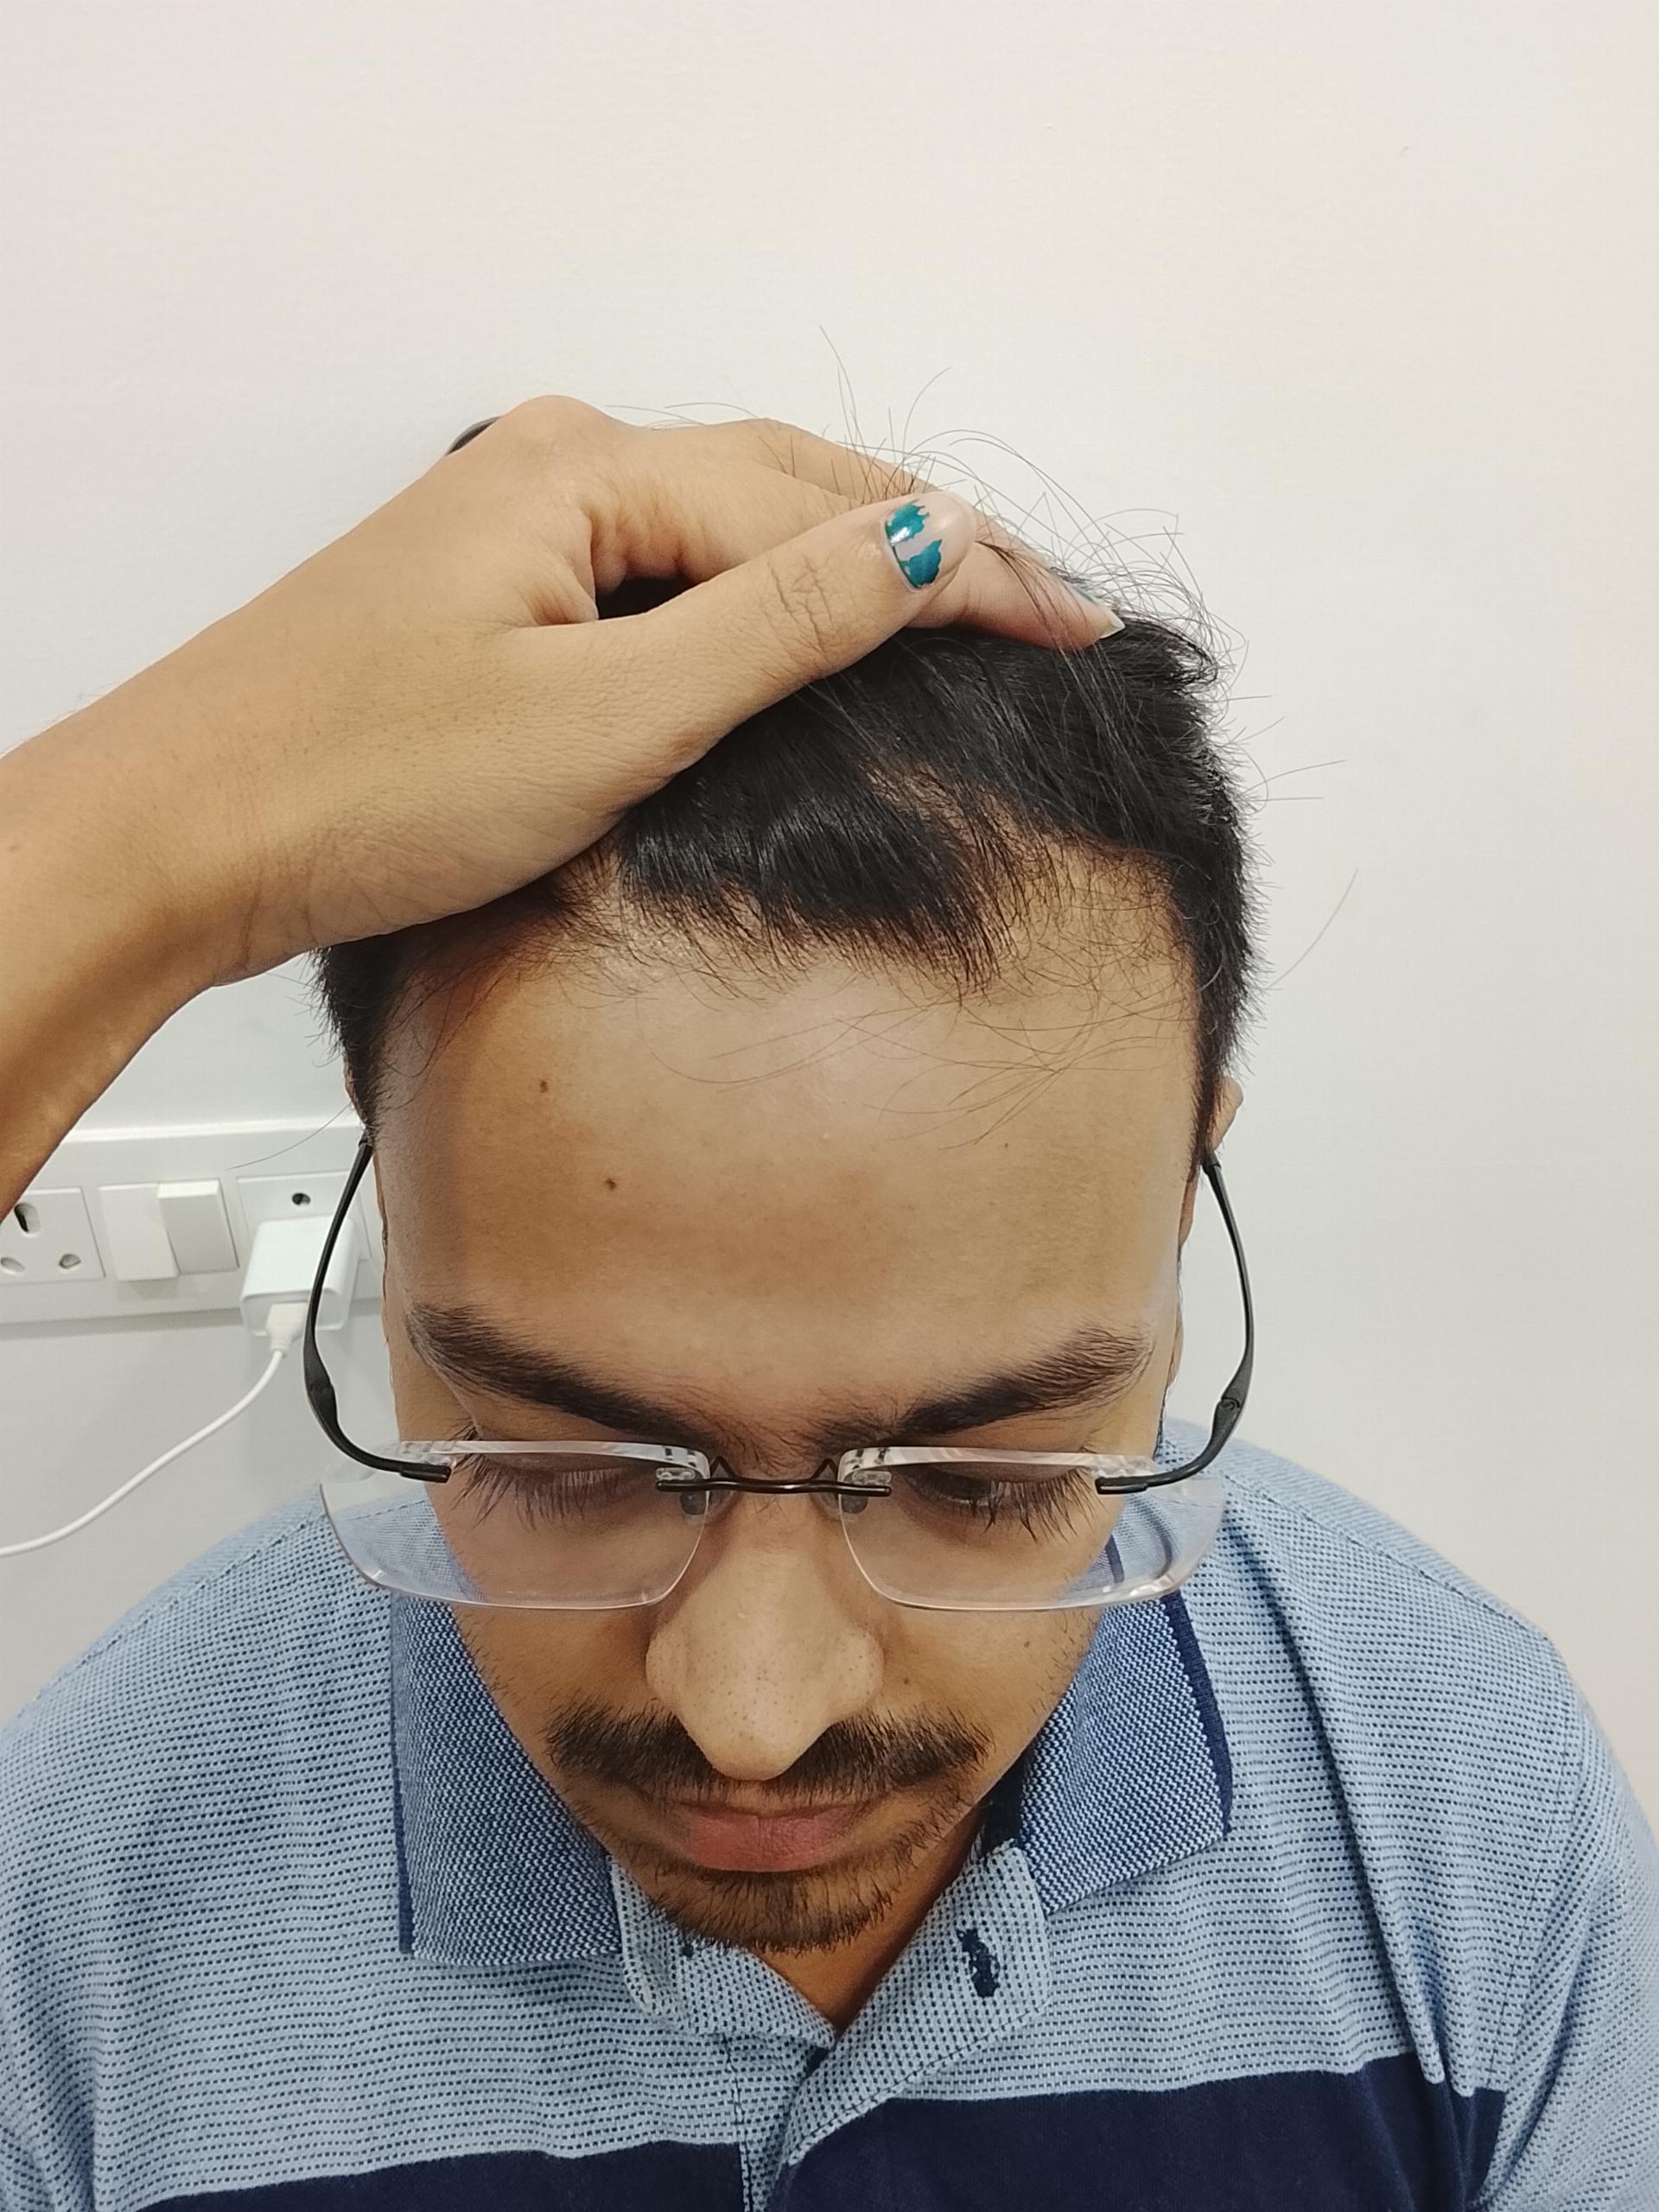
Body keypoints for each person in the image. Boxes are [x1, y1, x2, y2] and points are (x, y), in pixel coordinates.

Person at [0, 398, 1654, 2210]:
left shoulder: (1467, 1804)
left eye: (977, 1479)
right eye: (565, 1462)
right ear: (393, 1218)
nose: (753, 1717)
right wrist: (147, 836)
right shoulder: (78, 1903)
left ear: (1182, 1223)